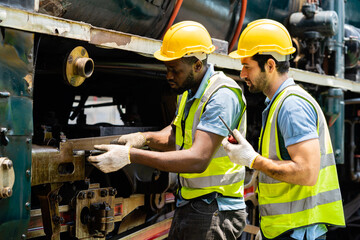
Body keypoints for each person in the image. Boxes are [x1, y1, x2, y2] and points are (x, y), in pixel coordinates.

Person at [88, 21, 248, 240]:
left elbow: (198, 159)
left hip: (214, 209)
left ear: (197, 66)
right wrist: (143, 138)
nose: (168, 76)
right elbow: (175, 136)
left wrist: (129, 156)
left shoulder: (222, 95)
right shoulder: (189, 92)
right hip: (192, 205)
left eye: (175, 70)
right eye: (167, 68)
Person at [222, 19, 346, 240]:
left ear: (270, 65)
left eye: (247, 66)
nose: (242, 74)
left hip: (298, 232)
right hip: (289, 229)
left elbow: (307, 172)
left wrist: (252, 160)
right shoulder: (280, 102)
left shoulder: (291, 106)